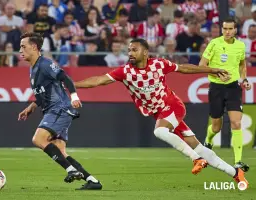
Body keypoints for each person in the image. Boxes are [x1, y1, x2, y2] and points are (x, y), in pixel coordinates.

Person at [74, 38, 248, 188]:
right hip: (159, 114)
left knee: (159, 131)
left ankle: (196, 159)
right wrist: (72, 84)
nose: (130, 53)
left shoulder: (159, 64)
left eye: (135, 49)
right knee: (199, 147)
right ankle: (235, 173)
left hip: (173, 106)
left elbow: (185, 69)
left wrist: (212, 69)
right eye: (129, 50)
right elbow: (98, 81)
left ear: (146, 52)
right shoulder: (125, 72)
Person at [18, 32, 102, 190]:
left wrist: (74, 97)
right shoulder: (33, 69)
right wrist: (32, 106)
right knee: (61, 151)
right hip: (54, 110)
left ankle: (71, 170)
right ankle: (93, 181)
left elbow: (65, 78)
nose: (20, 50)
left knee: (38, 139)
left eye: (23, 46)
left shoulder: (45, 64)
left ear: (34, 47)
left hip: (60, 109)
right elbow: (44, 94)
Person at [200, 18, 251, 172]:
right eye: (225, 29)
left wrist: (244, 79)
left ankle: (238, 161)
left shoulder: (241, 45)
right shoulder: (214, 43)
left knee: (236, 122)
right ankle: (208, 141)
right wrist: (217, 74)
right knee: (216, 127)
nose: (227, 32)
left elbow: (242, 64)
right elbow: (202, 65)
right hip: (216, 88)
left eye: (230, 29)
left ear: (235, 30)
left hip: (233, 87)